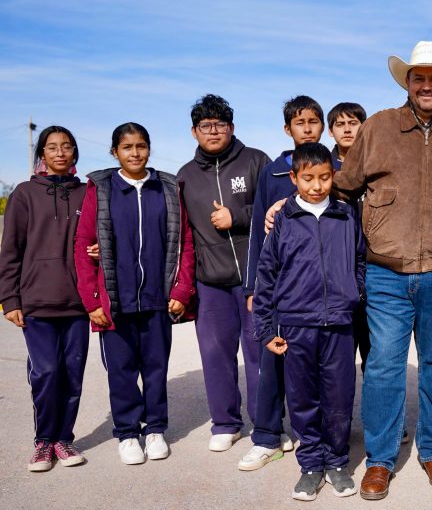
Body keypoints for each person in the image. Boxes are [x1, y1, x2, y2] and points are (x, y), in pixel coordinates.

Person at [333, 41, 432, 500]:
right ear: (407, 82)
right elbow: (341, 189)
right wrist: (293, 205)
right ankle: (379, 460)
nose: (426, 85)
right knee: (382, 366)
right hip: (386, 273)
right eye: (418, 77)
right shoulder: (377, 127)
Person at [74, 122, 196, 465]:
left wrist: (181, 289)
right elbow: (83, 246)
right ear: (115, 152)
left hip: (159, 297)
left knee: (156, 368)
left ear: (149, 148)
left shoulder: (168, 188)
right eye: (127, 147)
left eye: (141, 146)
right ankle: (127, 433)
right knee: (122, 370)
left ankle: (155, 429)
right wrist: (92, 301)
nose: (135, 153)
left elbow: (185, 241)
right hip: (116, 298)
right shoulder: (101, 188)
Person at [253, 143, 365, 501]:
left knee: (338, 395)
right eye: (308, 178)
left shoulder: (346, 216)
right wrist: (266, 328)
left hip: (339, 324)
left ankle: (336, 461)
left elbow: (360, 260)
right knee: (303, 398)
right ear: (294, 178)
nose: (316, 186)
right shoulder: (283, 220)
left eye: (324, 178)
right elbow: (266, 275)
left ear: (333, 176)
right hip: (297, 323)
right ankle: (311, 464)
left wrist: (353, 291)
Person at [177, 94, 271, 452]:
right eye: (205, 126)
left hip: (255, 277)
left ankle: (266, 425)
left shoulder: (256, 161)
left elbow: (274, 210)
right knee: (215, 353)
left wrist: (238, 216)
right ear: (194, 131)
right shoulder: (185, 175)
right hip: (210, 281)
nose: (213, 131)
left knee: (259, 352)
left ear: (231, 127)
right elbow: (178, 229)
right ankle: (225, 423)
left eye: (220, 124)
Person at [239, 95, 323, 470]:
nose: (307, 128)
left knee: (323, 365)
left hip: (323, 289)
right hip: (282, 287)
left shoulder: (333, 169)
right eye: (299, 122)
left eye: (313, 121)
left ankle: (319, 432)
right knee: (273, 361)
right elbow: (259, 230)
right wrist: (254, 287)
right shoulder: (272, 174)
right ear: (287, 129)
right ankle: (268, 436)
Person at [0, 127, 89, 472]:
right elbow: (10, 252)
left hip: (78, 303)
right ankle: (43, 441)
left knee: (72, 373)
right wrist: (9, 298)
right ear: (42, 154)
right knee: (47, 371)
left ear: (74, 153)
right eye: (52, 147)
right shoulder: (24, 194)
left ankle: (63, 439)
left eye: (67, 146)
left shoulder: (85, 194)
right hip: (36, 301)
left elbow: (96, 238)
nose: (60, 152)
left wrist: (95, 251)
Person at [327, 102, 371, 370]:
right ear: (330, 131)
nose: (347, 129)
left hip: (373, 268)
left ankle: (374, 411)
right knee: (337, 357)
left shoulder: (376, 164)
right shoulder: (322, 166)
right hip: (335, 270)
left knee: (374, 354)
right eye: (340, 124)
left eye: (353, 123)